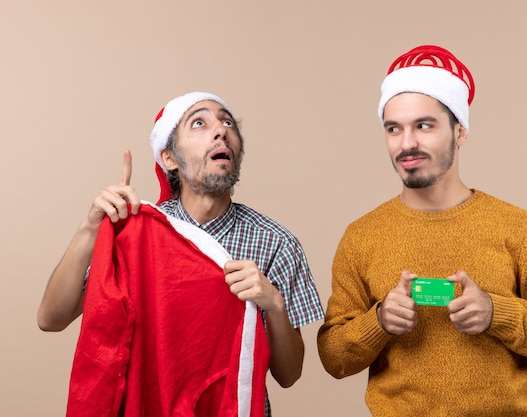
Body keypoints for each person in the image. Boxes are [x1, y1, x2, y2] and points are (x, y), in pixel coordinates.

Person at [316, 45, 527, 416]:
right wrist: (378, 322)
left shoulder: (516, 226)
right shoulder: (361, 236)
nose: (406, 143)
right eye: (393, 129)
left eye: (423, 125)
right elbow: (334, 358)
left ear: (460, 132)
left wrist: (497, 313)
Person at [38, 91, 325, 416]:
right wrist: (91, 228)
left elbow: (289, 375)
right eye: (200, 123)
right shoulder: (139, 236)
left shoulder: (275, 242)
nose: (221, 131)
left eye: (227, 122)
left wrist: (273, 304)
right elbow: (51, 319)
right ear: (169, 159)